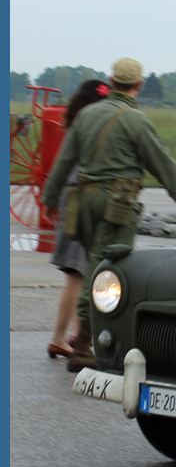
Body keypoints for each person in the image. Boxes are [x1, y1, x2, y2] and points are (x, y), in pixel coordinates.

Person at [42, 58, 176, 372]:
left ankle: (91, 340)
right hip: (116, 206)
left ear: (111, 81)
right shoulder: (136, 120)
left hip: (83, 203)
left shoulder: (85, 115)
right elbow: (159, 160)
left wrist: (51, 199)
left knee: (92, 268)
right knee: (103, 273)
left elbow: (64, 162)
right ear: (138, 85)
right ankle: (84, 347)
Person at [45, 80, 108, 359]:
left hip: (71, 199)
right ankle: (60, 337)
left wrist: (51, 199)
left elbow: (61, 165)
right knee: (77, 274)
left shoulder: (77, 123)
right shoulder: (91, 125)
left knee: (79, 275)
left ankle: (72, 334)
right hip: (79, 201)